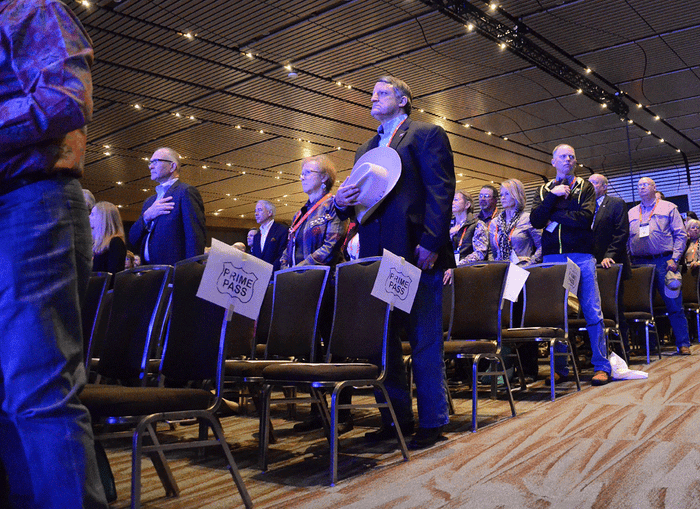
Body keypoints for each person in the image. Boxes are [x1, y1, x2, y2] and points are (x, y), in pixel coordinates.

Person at [0, 1, 108, 507]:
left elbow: (67, 98)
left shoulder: (28, 7)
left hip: (30, 199)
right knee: (10, 399)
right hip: (17, 202)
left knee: (37, 394)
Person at [335, 76, 455, 449]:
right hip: (377, 254)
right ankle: (395, 419)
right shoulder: (364, 149)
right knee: (383, 342)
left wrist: (432, 242)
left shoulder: (426, 134)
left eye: (382, 92)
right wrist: (341, 201)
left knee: (423, 339)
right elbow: (359, 206)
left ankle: (433, 420)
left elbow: (440, 190)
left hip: (418, 251)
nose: (372, 97)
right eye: (372, 93)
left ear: (404, 101)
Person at [530, 144, 612, 386]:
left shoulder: (585, 187)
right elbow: (536, 220)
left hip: (581, 256)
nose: (568, 159)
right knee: (557, 315)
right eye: (563, 156)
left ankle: (601, 366)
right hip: (552, 258)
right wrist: (554, 197)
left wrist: (551, 212)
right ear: (553, 161)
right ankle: (561, 368)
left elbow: (583, 219)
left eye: (572, 157)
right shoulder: (545, 189)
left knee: (591, 311)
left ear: (575, 162)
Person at [281, 155, 350, 433]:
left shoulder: (334, 205)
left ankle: (342, 415)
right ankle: (317, 411)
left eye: (307, 172)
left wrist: (297, 269)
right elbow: (289, 249)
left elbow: (331, 246)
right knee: (312, 351)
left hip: (330, 283)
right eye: (301, 172)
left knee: (335, 350)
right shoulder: (300, 212)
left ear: (324, 178)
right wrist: (286, 269)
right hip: (306, 286)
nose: (301, 176)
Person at [628, 177, 691, 355]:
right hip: (639, 264)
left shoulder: (669, 207)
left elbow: (681, 235)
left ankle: (683, 343)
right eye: (639, 185)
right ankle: (648, 346)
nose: (641, 187)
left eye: (645, 184)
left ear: (655, 188)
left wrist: (675, 258)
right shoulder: (632, 212)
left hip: (665, 262)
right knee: (642, 306)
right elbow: (627, 239)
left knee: (673, 303)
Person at [128, 147, 206, 266]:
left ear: (172, 166)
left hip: (173, 273)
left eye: (155, 162)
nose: (150, 166)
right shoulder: (150, 202)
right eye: (150, 162)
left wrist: (190, 271)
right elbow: (133, 239)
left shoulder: (185, 192)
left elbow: (195, 238)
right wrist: (146, 217)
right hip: (148, 272)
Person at [588, 173, 631, 356]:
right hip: (590, 266)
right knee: (593, 312)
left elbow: (621, 233)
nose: (590, 187)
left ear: (604, 187)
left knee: (614, 310)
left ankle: (623, 353)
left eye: (594, 183)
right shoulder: (584, 207)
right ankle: (598, 354)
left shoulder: (616, 203)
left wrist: (609, 255)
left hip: (611, 265)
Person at [490, 179, 542, 266]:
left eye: (507, 194)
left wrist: (530, 264)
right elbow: (494, 252)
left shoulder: (527, 219)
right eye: (501, 194)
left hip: (522, 268)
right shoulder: (495, 223)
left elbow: (541, 246)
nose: (502, 198)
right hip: (501, 269)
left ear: (517, 195)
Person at [90, 201, 127, 274]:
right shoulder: (99, 244)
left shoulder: (116, 242)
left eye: (93, 214)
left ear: (102, 218)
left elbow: (113, 275)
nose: (89, 217)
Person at [251, 200, 288, 271]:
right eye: (255, 211)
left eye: (260, 210)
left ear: (270, 212)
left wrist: (269, 271)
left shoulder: (282, 230)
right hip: (259, 277)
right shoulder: (257, 236)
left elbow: (283, 255)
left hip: (275, 275)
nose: (256, 213)